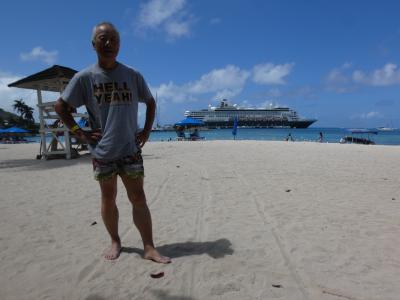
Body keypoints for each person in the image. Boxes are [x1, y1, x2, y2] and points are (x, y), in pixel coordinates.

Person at [55, 22, 170, 263]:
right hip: (103, 151)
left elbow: (150, 102)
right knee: (108, 198)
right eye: (103, 38)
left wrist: (147, 131)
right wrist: (80, 133)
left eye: (114, 40)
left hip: (130, 149)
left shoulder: (132, 75)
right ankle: (116, 241)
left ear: (119, 44)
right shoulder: (84, 78)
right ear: (93, 44)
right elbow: (61, 106)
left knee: (138, 198)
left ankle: (149, 247)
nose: (109, 44)